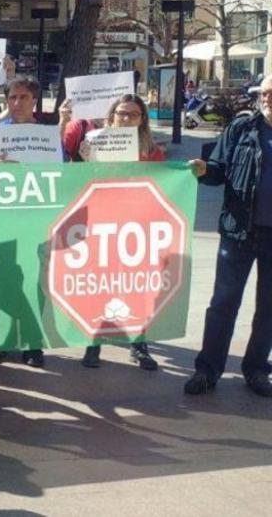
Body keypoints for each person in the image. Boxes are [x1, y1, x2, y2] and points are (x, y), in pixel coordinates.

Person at [184, 74, 272, 397]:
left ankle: (257, 370)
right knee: (223, 303)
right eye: (264, 93)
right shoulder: (241, 129)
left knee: (269, 308)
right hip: (238, 232)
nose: (267, 99)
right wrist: (205, 170)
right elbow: (218, 169)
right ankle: (207, 370)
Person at [66, 95, 163, 371]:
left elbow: (166, 181)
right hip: (102, 223)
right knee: (101, 283)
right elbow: (78, 181)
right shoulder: (95, 142)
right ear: (112, 116)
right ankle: (94, 342)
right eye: (122, 113)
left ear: (142, 119)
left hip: (136, 227)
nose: (126, 119)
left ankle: (138, 342)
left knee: (137, 285)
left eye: (133, 115)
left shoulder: (152, 150)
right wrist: (84, 159)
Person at [0, 75, 52, 367]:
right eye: (12, 98)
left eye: (23, 97)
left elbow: (63, 173)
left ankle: (32, 343)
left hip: (33, 219)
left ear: (34, 100)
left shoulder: (47, 135)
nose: (16, 103)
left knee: (33, 282)